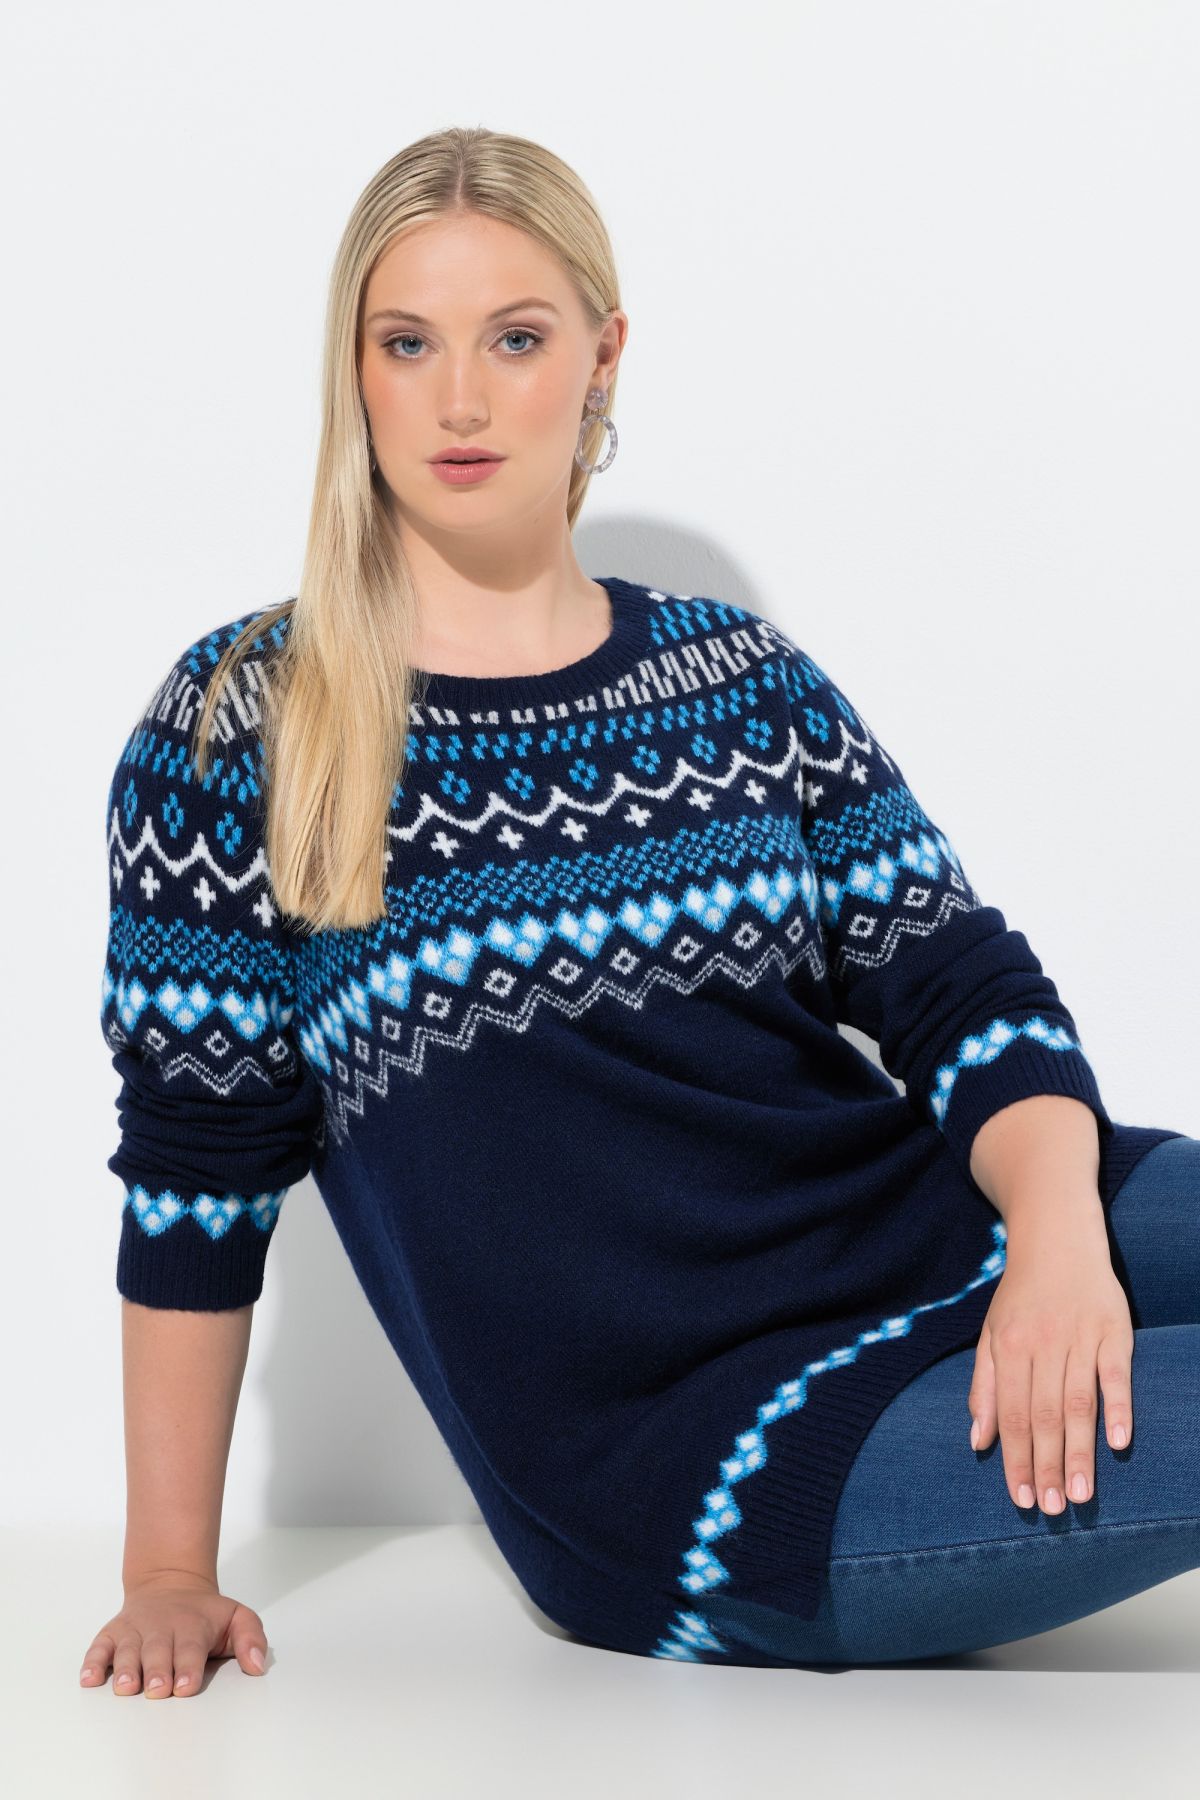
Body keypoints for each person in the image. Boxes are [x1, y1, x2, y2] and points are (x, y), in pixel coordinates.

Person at [82, 125, 1196, 1696]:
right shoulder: (244, 727)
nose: (460, 401)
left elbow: (958, 987)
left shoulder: (738, 678)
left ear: (602, 358)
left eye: (515, 340)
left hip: (944, 1227)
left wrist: (1059, 1244)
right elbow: (199, 1176)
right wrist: (166, 1572)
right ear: (355, 370)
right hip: (702, 1468)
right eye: (407, 344)